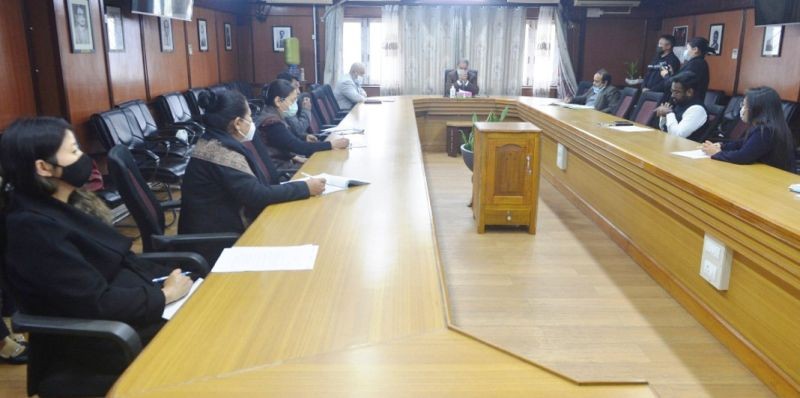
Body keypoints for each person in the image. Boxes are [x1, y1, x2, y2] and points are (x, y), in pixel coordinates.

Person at [0, 117, 193, 368]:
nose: (84, 158)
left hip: (132, 308)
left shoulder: (68, 201)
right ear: (44, 167)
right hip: (102, 341)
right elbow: (95, 303)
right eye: (73, 151)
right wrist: (165, 294)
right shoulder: (33, 228)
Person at [179, 90, 326, 241]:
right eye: (249, 116)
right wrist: (306, 188)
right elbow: (257, 195)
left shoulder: (216, 141)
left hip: (228, 224)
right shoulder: (219, 154)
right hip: (215, 241)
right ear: (237, 123)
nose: (252, 121)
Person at [702, 86, 796, 172]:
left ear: (757, 109)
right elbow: (741, 143)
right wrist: (721, 146)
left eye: (745, 105)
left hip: (775, 179)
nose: (742, 109)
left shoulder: (766, 131)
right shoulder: (764, 127)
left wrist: (717, 153)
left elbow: (743, 156)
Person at [260, 79, 349, 161]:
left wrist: (303, 137)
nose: (293, 104)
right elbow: (299, 147)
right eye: (292, 100)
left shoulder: (272, 114)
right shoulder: (272, 123)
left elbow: (284, 141)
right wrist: (331, 144)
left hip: (286, 162)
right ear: (278, 101)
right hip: (283, 171)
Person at [655, 71, 708, 141]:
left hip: (686, 150)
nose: (672, 95)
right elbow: (664, 129)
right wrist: (664, 115)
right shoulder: (681, 103)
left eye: (676, 92)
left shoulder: (697, 109)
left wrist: (669, 113)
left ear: (689, 92)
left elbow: (677, 135)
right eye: (672, 91)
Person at [663, 37, 710, 102]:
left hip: (689, 104)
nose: (685, 51)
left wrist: (666, 75)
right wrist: (672, 74)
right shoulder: (696, 63)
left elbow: (675, 83)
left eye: (687, 48)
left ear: (695, 49)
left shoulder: (696, 64)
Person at [275, 73, 315, 141]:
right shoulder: (285, 108)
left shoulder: (293, 102)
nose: (299, 92)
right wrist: (306, 110)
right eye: (295, 87)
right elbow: (298, 130)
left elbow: (293, 134)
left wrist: (304, 137)